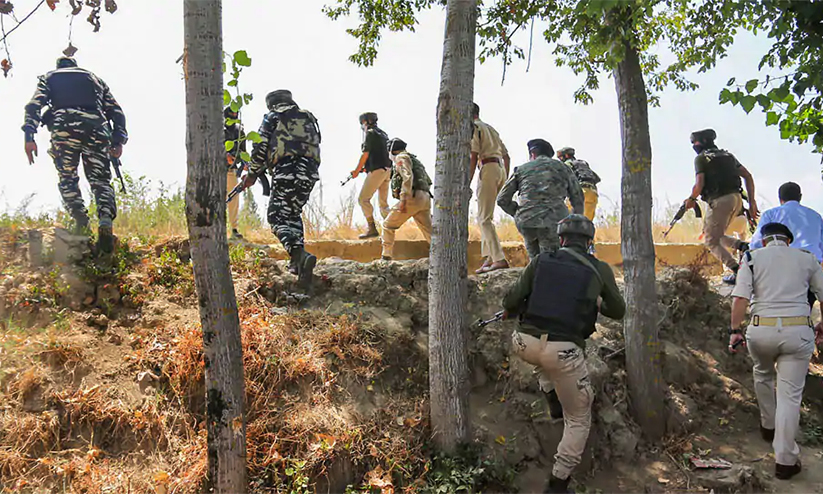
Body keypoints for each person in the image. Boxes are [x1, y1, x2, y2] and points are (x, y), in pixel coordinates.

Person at [502, 214, 625, 493]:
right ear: (590, 242)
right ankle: (558, 482)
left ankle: (552, 399)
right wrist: (598, 301)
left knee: (541, 358)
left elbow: (510, 300)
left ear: (561, 239)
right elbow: (618, 310)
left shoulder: (541, 260)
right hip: (564, 353)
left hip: (524, 343)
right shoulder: (599, 269)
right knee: (579, 418)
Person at [730, 222, 823, 481]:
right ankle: (785, 460)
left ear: (763, 241)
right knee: (789, 396)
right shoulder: (807, 258)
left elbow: (740, 298)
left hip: (761, 331)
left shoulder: (751, 257)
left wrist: (734, 330)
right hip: (797, 332)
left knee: (762, 373)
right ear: (789, 241)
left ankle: (768, 426)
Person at [22, 56, 128, 255]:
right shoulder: (94, 79)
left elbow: (34, 105)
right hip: (96, 128)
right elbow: (116, 112)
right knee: (101, 180)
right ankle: (105, 220)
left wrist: (29, 136)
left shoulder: (49, 77)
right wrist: (118, 140)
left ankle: (81, 222)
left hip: (64, 129)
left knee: (67, 177)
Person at [244, 89, 321, 287]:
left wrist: (252, 173)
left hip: (287, 171)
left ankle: (299, 254)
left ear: (271, 104)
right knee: (292, 214)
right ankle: (298, 266)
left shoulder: (273, 117)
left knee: (276, 217)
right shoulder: (308, 117)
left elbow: (259, 147)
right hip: (309, 173)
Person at [683, 128, 758, 285]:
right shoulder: (728, 156)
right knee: (713, 235)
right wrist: (752, 203)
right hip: (736, 200)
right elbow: (748, 176)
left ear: (703, 142)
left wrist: (691, 199)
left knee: (710, 241)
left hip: (720, 201)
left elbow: (699, 184)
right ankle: (743, 246)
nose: (694, 145)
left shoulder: (701, 158)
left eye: (694, 142)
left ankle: (738, 271)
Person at [497, 139, 584, 259]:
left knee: (535, 261)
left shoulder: (521, 169)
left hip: (526, 222)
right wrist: (572, 225)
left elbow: (502, 199)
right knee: (552, 261)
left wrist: (518, 213)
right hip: (554, 222)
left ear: (532, 154)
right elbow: (578, 199)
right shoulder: (563, 168)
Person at [471, 103, 511, 274]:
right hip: (499, 169)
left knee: (484, 218)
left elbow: (473, 156)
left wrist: (467, 182)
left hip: (487, 168)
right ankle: (489, 258)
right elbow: (507, 156)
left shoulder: (474, 128)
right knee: (485, 216)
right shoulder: (491, 129)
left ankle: (499, 259)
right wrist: (505, 178)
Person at [380, 138, 432, 260]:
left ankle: (386, 256)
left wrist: (404, 199)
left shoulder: (401, 158)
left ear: (392, 150)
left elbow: (407, 177)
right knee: (430, 232)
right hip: (425, 197)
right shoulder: (414, 159)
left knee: (387, 225)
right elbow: (427, 181)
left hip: (412, 197)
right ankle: (443, 256)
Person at [750, 182, 823, 262]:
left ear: (779, 198)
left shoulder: (770, 214)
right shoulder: (816, 216)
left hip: (782, 262)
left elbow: (756, 243)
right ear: (800, 197)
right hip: (813, 262)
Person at [349, 112, 391, 239]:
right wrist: (365, 168)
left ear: (365, 122)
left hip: (377, 170)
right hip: (387, 170)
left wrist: (356, 171)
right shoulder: (383, 134)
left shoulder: (370, 133)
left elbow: (365, 154)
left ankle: (372, 228)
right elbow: (380, 154)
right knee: (383, 204)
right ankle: (391, 230)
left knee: (363, 199)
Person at [556, 147, 600, 221]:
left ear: (566, 156)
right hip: (592, 193)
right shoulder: (583, 163)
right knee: (587, 222)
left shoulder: (567, 164)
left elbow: (563, 180)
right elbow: (596, 179)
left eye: (560, 157)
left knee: (568, 221)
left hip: (579, 193)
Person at [225, 106, 247, 240]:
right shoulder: (218, 130)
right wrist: (225, 155)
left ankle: (234, 229)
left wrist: (245, 164)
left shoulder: (239, 132)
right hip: (216, 171)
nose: (234, 115)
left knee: (233, 200)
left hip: (232, 171)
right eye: (231, 113)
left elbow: (243, 153)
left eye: (235, 113)